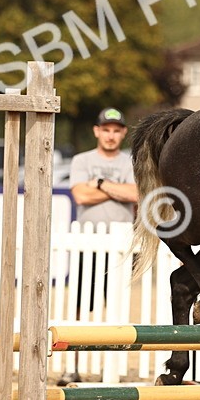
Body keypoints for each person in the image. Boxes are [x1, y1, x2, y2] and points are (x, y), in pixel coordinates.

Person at [64, 108, 138, 384]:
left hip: (121, 243)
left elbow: (136, 193)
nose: (110, 135)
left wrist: (99, 184)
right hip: (88, 241)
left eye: (116, 130)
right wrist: (115, 190)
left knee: (116, 305)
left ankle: (111, 366)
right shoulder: (82, 160)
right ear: (97, 131)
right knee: (81, 304)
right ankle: (73, 364)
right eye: (105, 129)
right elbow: (80, 195)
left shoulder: (131, 161)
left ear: (123, 133)